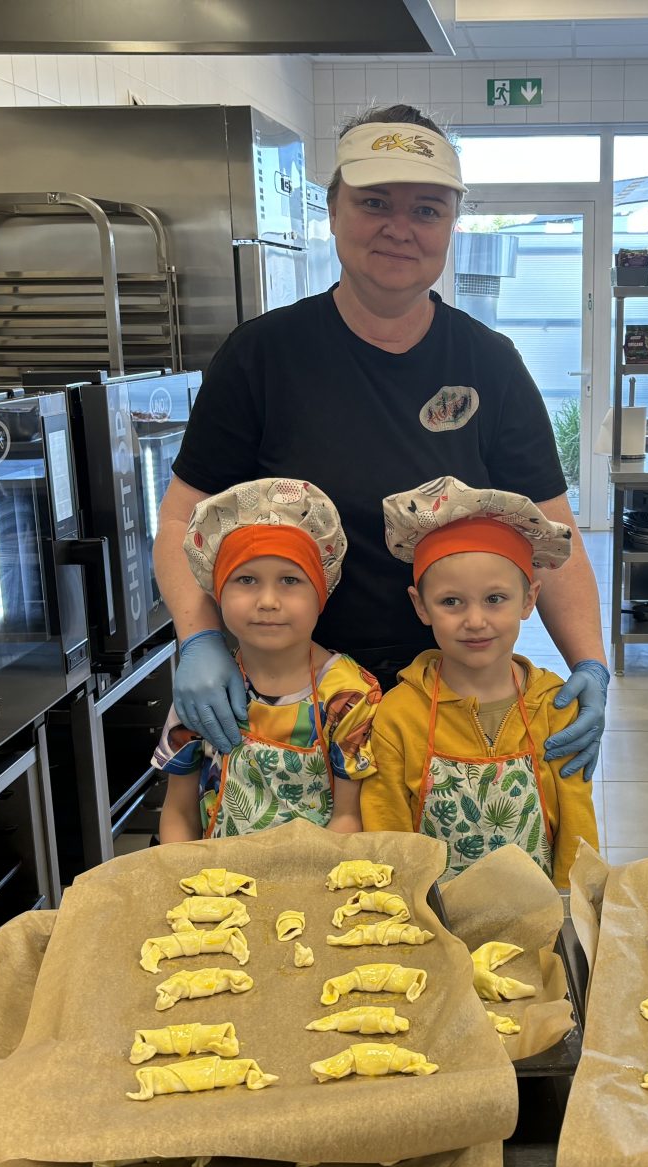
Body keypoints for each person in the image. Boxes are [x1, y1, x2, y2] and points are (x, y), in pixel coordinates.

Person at [154, 102, 608, 781]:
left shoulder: (489, 363)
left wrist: (590, 664)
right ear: (334, 210)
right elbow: (180, 521)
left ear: (451, 226)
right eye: (375, 203)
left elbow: (554, 534)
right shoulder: (262, 357)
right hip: (289, 698)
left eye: (427, 210)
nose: (400, 229)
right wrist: (198, 639)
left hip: (450, 702)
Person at [361, 477, 599, 888]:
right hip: (433, 916)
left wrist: (572, 908)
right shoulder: (399, 714)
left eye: (494, 599)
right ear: (421, 606)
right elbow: (387, 834)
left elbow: (578, 832)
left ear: (528, 599)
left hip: (538, 914)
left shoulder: (555, 708)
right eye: (451, 601)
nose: (474, 621)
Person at [150, 478, 379, 842]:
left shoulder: (349, 696)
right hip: (215, 877)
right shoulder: (202, 692)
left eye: (290, 580)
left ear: (321, 593)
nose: (268, 601)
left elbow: (349, 818)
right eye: (246, 580)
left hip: (319, 873)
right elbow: (178, 812)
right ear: (217, 592)